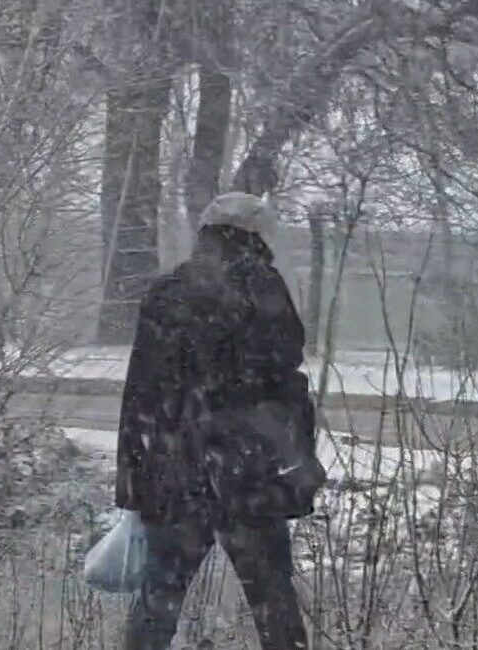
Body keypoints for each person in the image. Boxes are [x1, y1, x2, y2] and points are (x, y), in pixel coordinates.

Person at [114, 192, 316, 649]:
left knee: (158, 602)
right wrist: (298, 467)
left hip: (173, 473)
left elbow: (140, 394)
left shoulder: (167, 292)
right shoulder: (263, 290)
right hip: (248, 476)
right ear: (254, 236)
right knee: (273, 602)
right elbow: (285, 387)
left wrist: (133, 483)